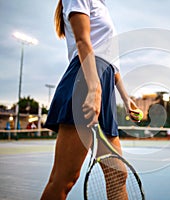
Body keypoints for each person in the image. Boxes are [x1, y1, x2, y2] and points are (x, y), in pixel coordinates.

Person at [41, 0, 141, 199]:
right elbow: (82, 41)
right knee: (64, 179)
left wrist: (125, 97)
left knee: (117, 175)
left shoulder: (102, 5)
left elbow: (111, 62)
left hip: (102, 84)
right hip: (85, 81)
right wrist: (94, 89)